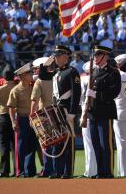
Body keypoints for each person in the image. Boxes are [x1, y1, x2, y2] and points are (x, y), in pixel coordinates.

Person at [86, 45, 121, 178]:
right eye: (94, 55)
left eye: (98, 55)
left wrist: (97, 94)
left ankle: (108, 171)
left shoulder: (112, 72)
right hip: (93, 112)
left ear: (105, 56)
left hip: (105, 111)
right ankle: (100, 170)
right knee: (95, 143)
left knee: (105, 143)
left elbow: (114, 91)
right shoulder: (93, 71)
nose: (95, 58)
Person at [48, 45, 81, 179]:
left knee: (68, 142)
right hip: (57, 109)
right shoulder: (56, 72)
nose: (55, 58)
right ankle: (58, 170)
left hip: (67, 110)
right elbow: (43, 73)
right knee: (57, 141)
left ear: (66, 57)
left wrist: (72, 112)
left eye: (57, 56)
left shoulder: (71, 72)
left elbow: (76, 93)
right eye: (55, 56)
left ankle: (68, 171)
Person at [8, 63, 37, 177]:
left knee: (32, 145)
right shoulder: (15, 90)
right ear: (23, 75)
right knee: (21, 146)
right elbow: (10, 107)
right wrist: (13, 121)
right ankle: (20, 171)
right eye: (29, 73)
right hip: (21, 119)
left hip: (33, 119)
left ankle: (30, 171)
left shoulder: (33, 87)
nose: (31, 75)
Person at [30, 56, 55, 178]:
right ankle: (58, 168)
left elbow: (34, 100)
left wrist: (31, 116)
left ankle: (47, 169)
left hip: (44, 114)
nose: (35, 71)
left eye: (35, 69)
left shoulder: (39, 81)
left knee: (46, 143)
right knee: (57, 142)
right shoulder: (55, 77)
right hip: (57, 112)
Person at [0, 70, 17, 177]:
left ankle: (4, 171)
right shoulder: (17, 87)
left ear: (3, 78)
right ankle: (18, 170)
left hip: (4, 118)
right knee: (15, 146)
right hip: (15, 117)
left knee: (4, 146)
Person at [80, 60, 97, 178]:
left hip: (86, 110)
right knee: (91, 143)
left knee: (89, 144)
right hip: (89, 110)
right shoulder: (92, 79)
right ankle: (91, 170)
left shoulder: (84, 79)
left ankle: (90, 171)